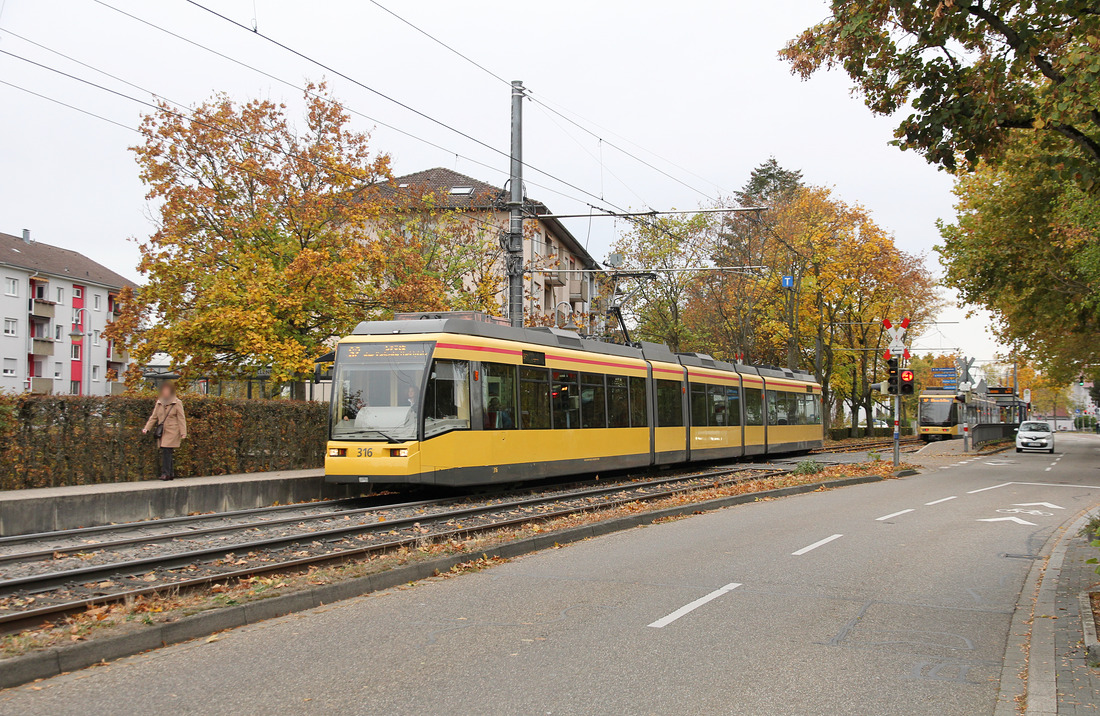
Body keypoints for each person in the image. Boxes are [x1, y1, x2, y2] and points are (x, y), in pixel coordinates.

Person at [142, 381, 188, 481]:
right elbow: (153, 417)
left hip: (173, 430)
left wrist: (183, 432)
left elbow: (181, 418)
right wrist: (147, 428)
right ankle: (170, 473)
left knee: (167, 450)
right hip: (162, 430)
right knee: (167, 451)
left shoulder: (177, 403)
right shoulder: (159, 402)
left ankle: (166, 473)